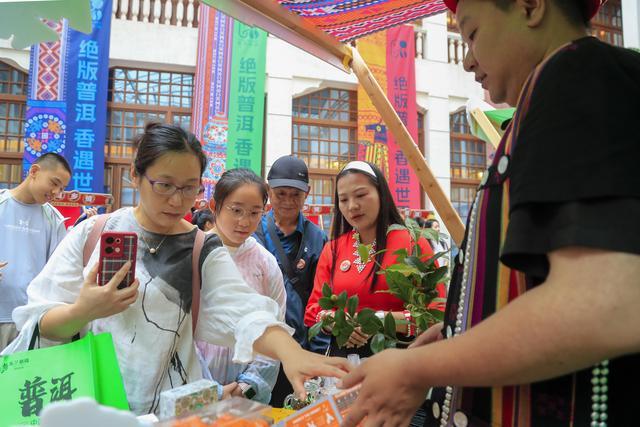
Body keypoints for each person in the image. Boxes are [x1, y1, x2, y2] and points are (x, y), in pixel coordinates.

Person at [341, 1, 640, 426]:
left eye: (472, 34)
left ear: (530, 6)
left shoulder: (573, 75)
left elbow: (604, 305)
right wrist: (454, 333)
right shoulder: (549, 95)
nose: (466, 59)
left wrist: (419, 368)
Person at [4, 124, 348, 416]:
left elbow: (244, 311)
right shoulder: (93, 233)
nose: (177, 200)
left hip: (172, 411)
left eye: (189, 188)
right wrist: (84, 310)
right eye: (164, 185)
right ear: (136, 175)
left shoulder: (202, 248)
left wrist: (292, 354)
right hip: (93, 407)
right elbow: (38, 320)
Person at [305, 161, 446, 358]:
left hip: (400, 358)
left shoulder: (413, 243)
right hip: (344, 362)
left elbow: (435, 312)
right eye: (343, 200)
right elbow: (314, 309)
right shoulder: (333, 249)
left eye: (361, 195)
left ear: (381, 193)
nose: (352, 206)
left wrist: (377, 320)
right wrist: (335, 321)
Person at [196, 168, 286, 404]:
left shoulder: (265, 263)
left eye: (254, 213)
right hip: (192, 390)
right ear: (215, 206)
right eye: (236, 211)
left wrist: (248, 385)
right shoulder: (192, 254)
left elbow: (275, 328)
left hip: (246, 397)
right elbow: (177, 330)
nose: (244, 222)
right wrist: (209, 389)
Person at [253, 155, 330, 406]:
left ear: (306, 194)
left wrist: (317, 356)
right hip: (258, 353)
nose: (288, 201)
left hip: (300, 351)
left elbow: (322, 298)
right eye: (281, 193)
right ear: (268, 191)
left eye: (295, 194)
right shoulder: (252, 232)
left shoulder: (317, 238)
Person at [0, 152, 71, 351]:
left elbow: (59, 272)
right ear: (34, 171)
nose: (57, 192)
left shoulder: (54, 220)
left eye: (62, 188)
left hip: (30, 321)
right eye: (54, 183)